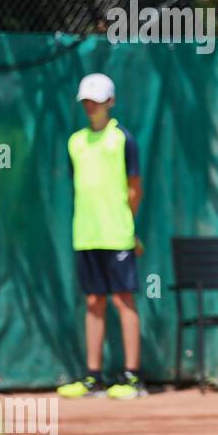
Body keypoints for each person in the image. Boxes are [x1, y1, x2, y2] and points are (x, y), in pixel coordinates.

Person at [57, 74, 147, 400]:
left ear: (110, 102)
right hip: (85, 234)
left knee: (123, 300)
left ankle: (132, 377)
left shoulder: (123, 139)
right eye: (86, 101)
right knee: (94, 301)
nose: (90, 106)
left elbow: (135, 188)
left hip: (118, 235)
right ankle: (93, 377)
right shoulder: (75, 142)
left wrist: (126, 224)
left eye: (96, 100)